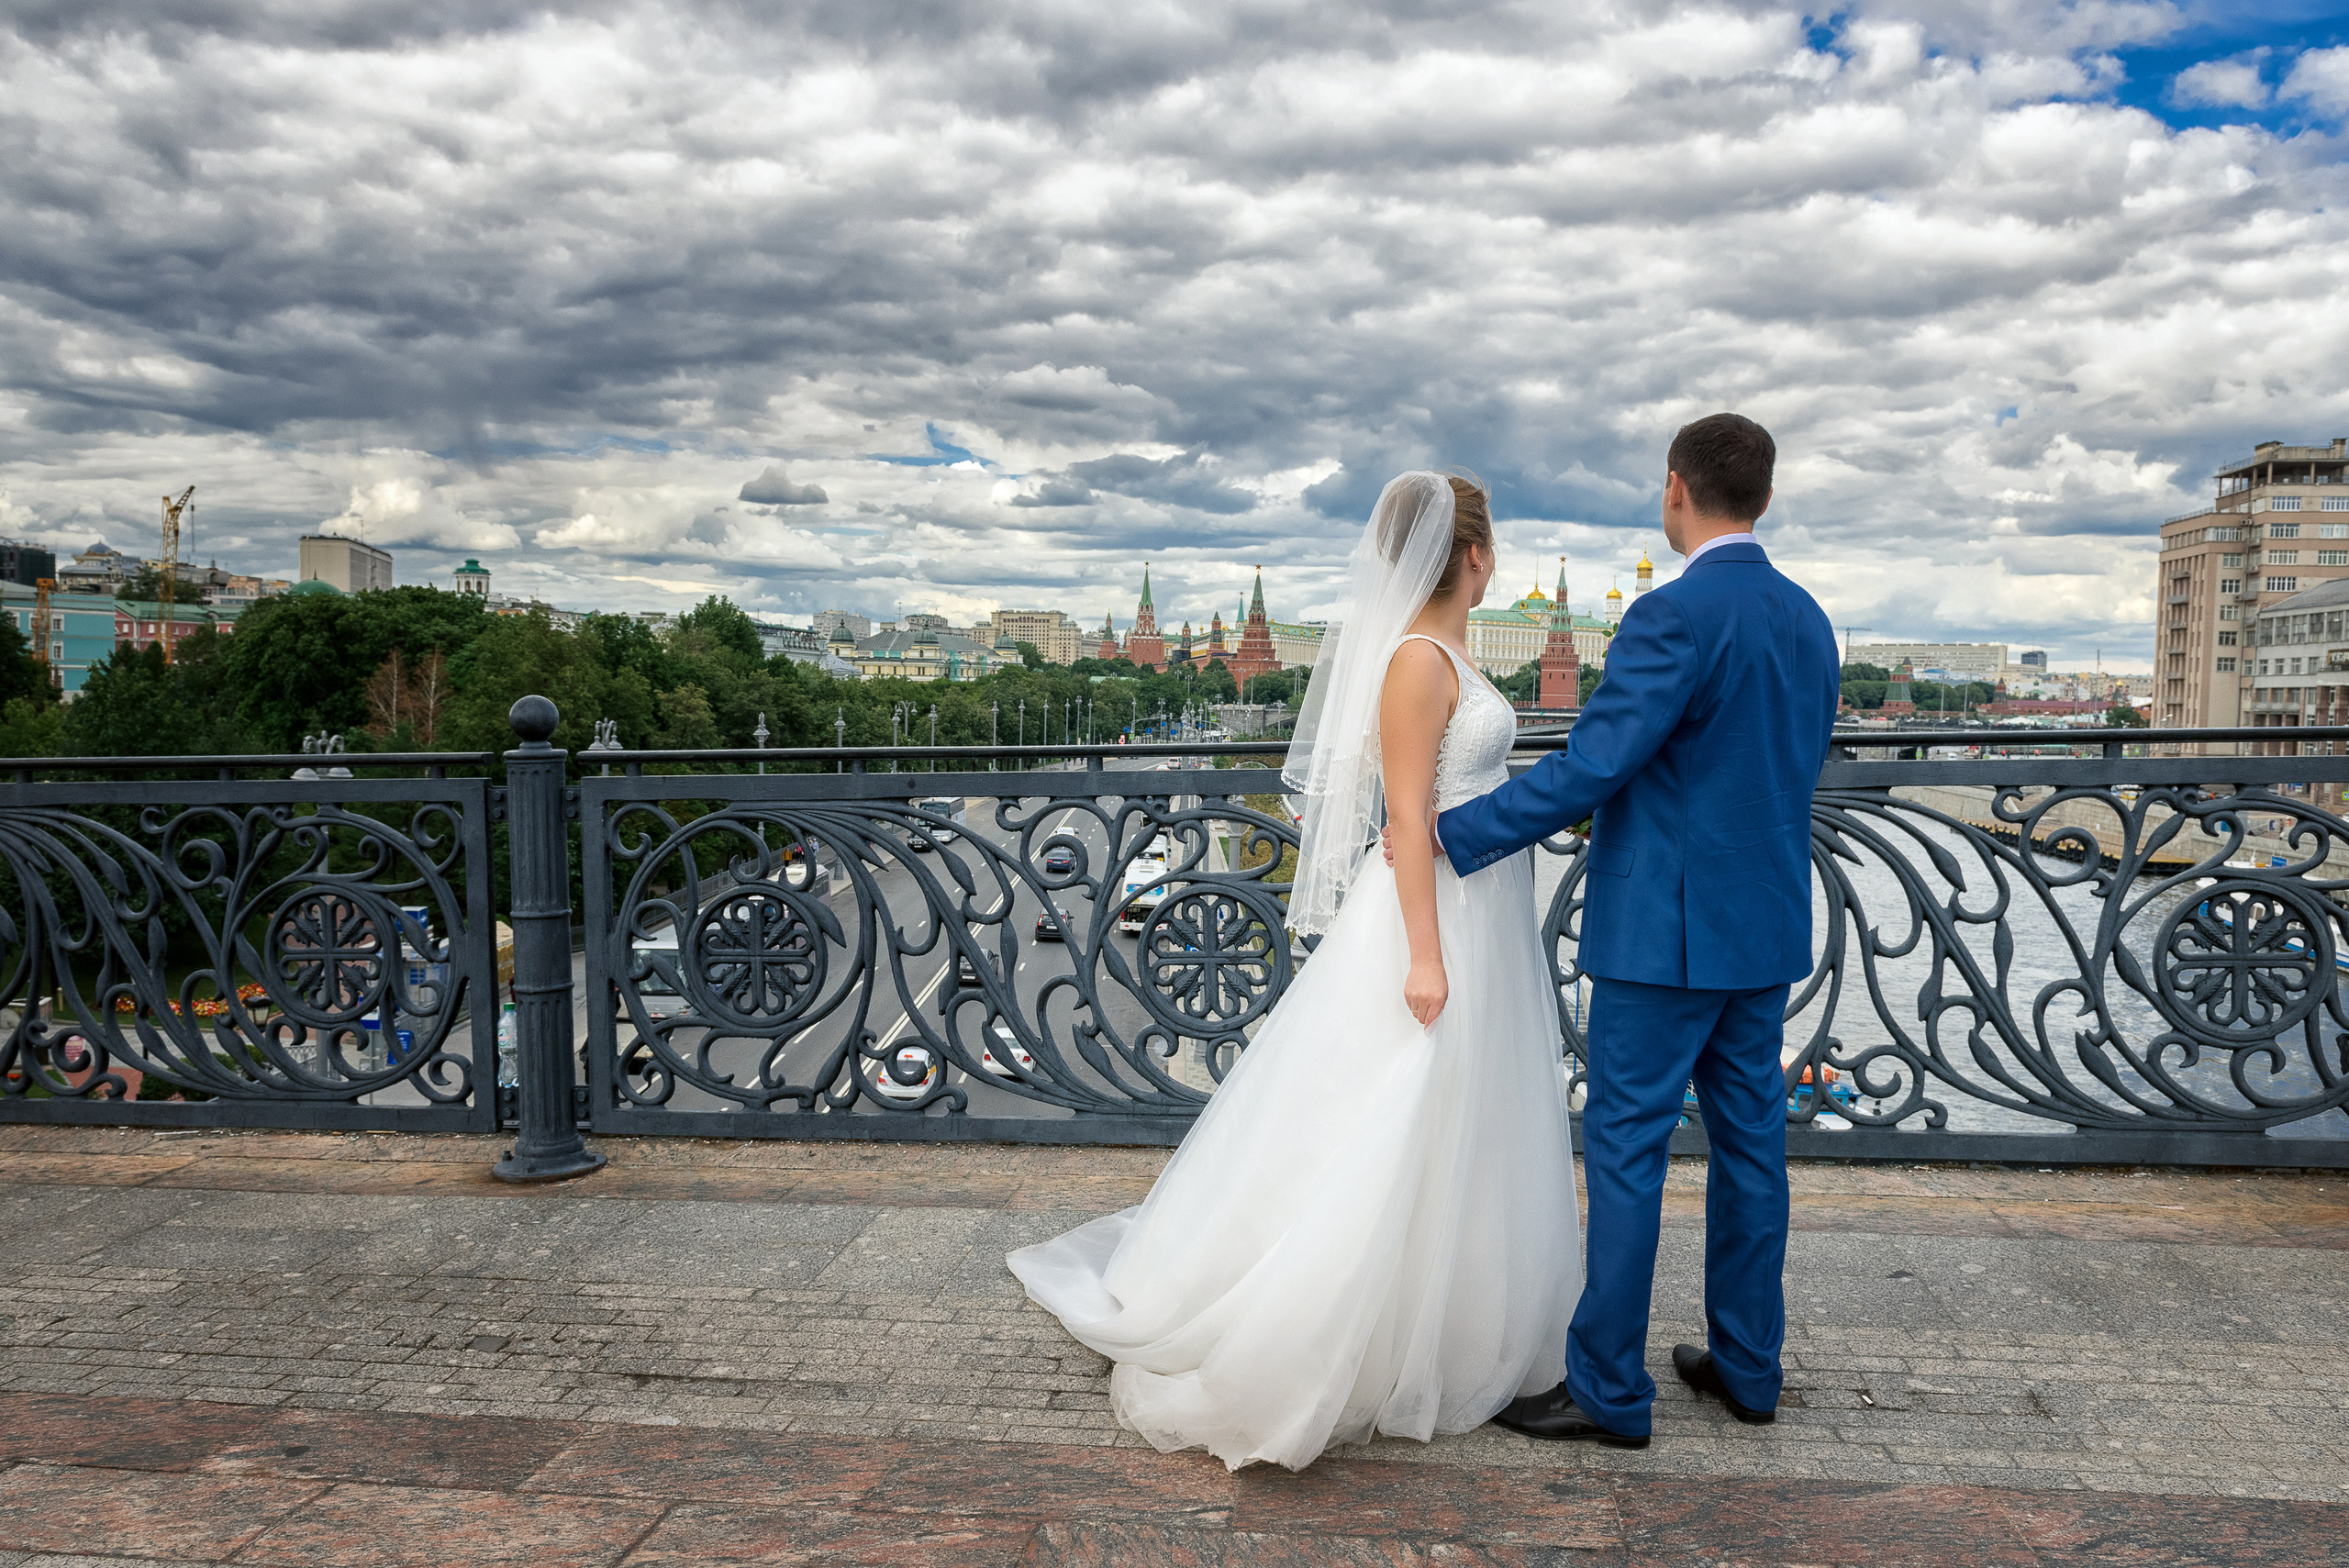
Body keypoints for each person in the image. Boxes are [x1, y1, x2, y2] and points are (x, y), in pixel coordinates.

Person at [1007, 472, 1580, 1472]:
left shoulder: (1442, 651)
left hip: (1478, 911)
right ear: (1475, 557)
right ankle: (1362, 1329)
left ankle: (1450, 1316)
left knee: (1458, 1120)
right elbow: (1404, 824)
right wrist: (1427, 956)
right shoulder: (1414, 660)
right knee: (1397, 1113)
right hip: (1433, 919)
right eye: (1494, 554)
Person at [1427, 413, 1839, 1447]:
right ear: (1765, 496)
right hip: (1764, 929)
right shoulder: (1807, 618)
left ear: (1674, 490)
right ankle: (1748, 1365)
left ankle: (1608, 1389)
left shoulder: (1670, 618)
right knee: (1752, 1151)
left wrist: (1451, 831)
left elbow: (1592, 766)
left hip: (1663, 937)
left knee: (1625, 1152)